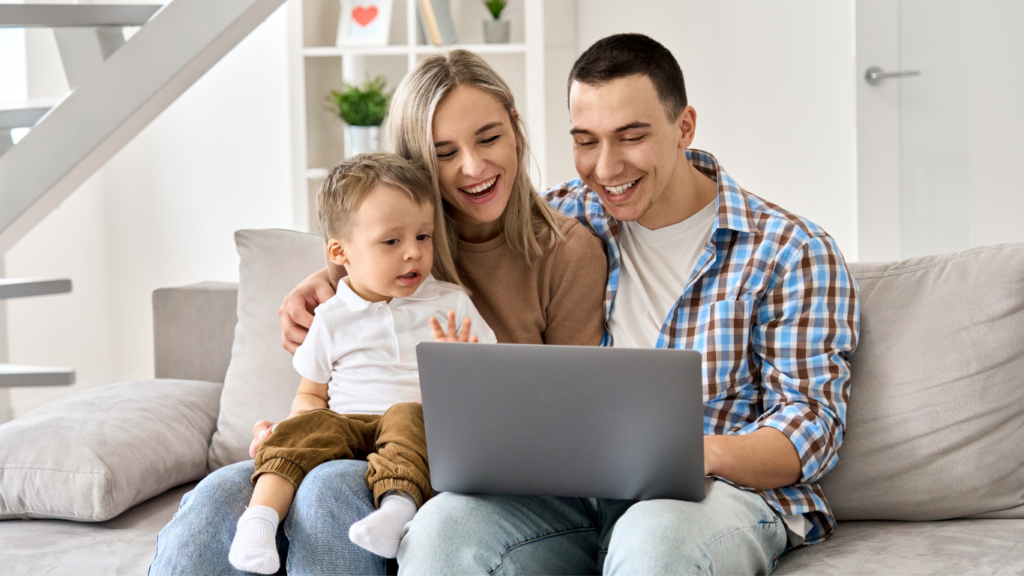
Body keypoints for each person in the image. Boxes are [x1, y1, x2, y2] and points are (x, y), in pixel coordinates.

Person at [393, 34, 861, 573]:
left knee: (651, 538)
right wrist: (329, 277)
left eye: (631, 137)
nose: (607, 167)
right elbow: (415, 230)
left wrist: (695, 451)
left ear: (684, 127)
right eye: (586, 141)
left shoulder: (790, 250)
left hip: (714, 497)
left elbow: (812, 425)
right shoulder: (563, 220)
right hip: (578, 500)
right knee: (439, 531)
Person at [149, 50, 606, 575]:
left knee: (328, 487)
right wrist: (291, 433)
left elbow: (569, 423)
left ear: (516, 131)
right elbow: (331, 349)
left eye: (488, 137)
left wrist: (470, 388)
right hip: (360, 441)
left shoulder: (567, 252)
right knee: (215, 499)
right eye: (444, 152)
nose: (473, 167)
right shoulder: (395, 246)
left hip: (487, 471)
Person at [227, 153, 496, 574]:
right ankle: (258, 522)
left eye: (423, 237)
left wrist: (464, 362)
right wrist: (294, 424)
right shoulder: (332, 316)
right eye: (392, 242)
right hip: (348, 427)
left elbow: (490, 383)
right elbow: (311, 393)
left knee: (407, 415)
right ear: (339, 251)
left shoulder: (451, 302)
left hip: (415, 425)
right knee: (303, 426)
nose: (414, 254)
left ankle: (395, 510)